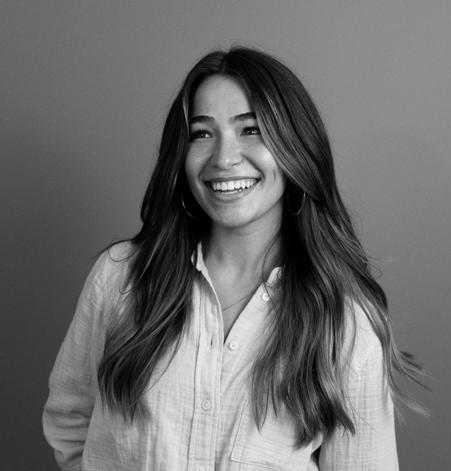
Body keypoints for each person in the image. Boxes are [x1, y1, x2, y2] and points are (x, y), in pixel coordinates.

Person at [43, 46, 423, 470]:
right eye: (202, 134)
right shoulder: (121, 279)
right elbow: (71, 422)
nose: (224, 158)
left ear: (296, 147)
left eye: (251, 129)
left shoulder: (345, 321)